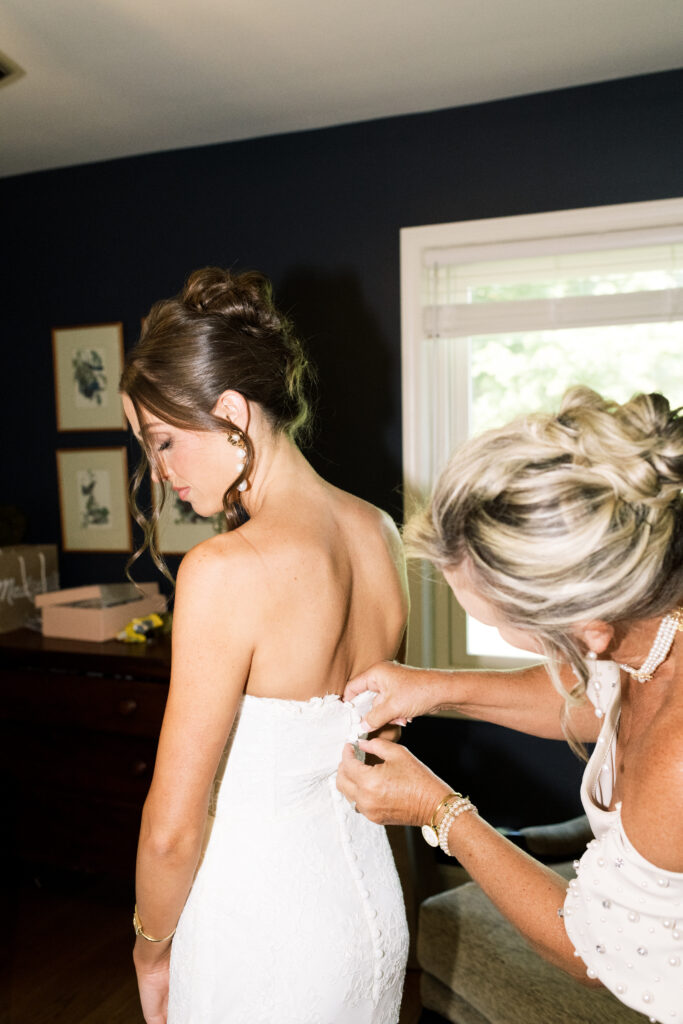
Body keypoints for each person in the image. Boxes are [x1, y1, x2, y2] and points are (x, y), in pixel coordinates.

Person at [337, 387, 683, 1024]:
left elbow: (595, 950)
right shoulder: (654, 623)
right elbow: (591, 703)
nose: (497, 636)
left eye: (499, 624)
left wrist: (439, 812)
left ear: (588, 629)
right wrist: (437, 687)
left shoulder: (678, 757)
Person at [120, 267, 409, 1024]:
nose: (160, 474)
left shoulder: (224, 571)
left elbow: (175, 827)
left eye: (164, 442)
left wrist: (151, 948)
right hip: (369, 918)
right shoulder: (379, 533)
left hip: (262, 933)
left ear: (229, 413)